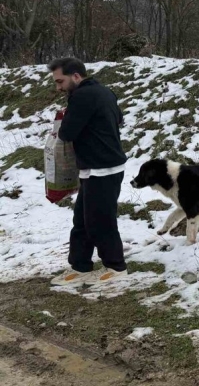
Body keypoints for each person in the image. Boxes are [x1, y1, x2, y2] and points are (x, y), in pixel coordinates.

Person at [47, 57, 129, 287]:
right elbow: (119, 118)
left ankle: (116, 266)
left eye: (60, 81)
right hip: (100, 166)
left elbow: (67, 133)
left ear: (76, 76)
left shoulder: (82, 96)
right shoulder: (105, 91)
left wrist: (67, 118)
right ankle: (80, 265)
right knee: (82, 220)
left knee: (100, 221)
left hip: (102, 168)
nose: (59, 87)